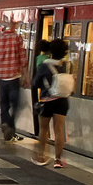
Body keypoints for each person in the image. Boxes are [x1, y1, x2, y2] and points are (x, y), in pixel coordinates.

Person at [32, 37, 72, 168]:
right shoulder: (66, 65)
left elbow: (36, 83)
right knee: (59, 129)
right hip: (62, 101)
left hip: (47, 100)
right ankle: (58, 160)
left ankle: (41, 156)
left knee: (43, 129)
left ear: (50, 51)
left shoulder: (45, 65)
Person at [0, 17, 29, 143]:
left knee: (4, 105)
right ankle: (10, 125)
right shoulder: (17, 38)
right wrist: (26, 76)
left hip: (1, 78)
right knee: (16, 104)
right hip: (14, 78)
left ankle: (5, 124)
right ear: (14, 25)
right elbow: (23, 58)